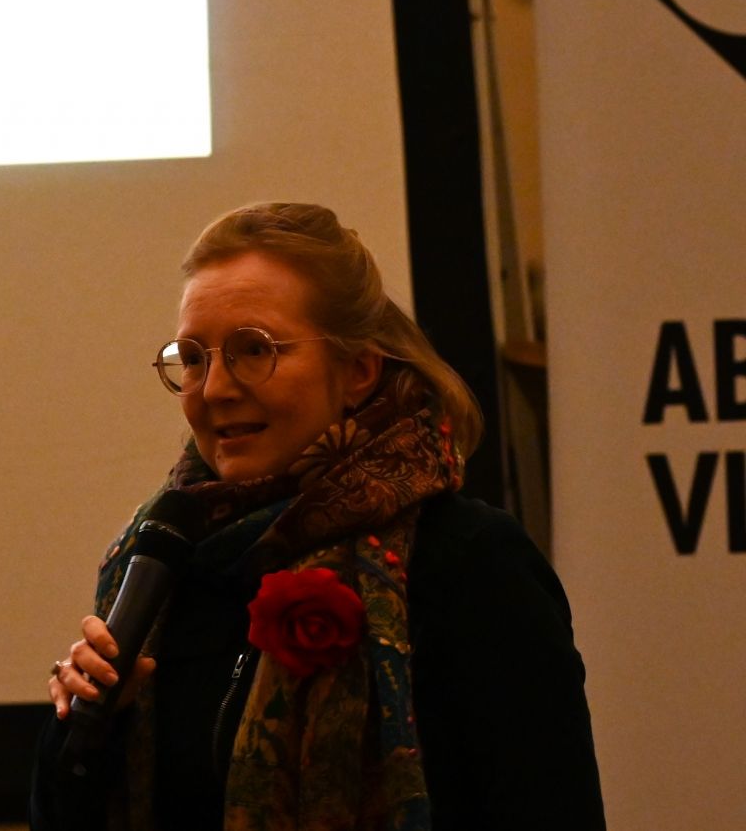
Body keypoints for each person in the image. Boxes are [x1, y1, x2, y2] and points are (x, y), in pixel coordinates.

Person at [30, 203, 604, 830]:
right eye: (193, 358)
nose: (215, 389)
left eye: (254, 349)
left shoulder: (469, 561)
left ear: (358, 370)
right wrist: (80, 735)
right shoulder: (164, 562)